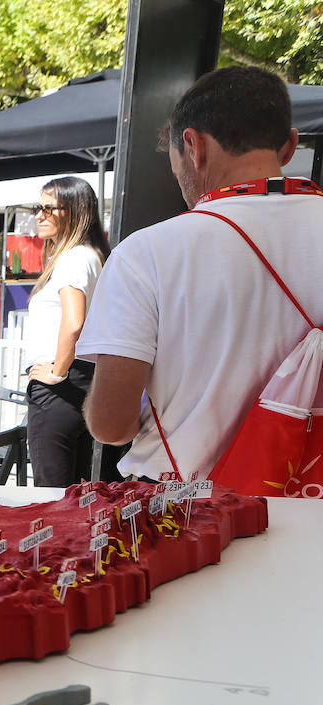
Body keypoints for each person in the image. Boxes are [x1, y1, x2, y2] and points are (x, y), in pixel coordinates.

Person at [81, 66, 322, 483]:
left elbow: (110, 424)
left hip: (185, 517)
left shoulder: (147, 253)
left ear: (193, 146)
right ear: (288, 147)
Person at [19, 175, 116, 487]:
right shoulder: (91, 255)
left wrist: (57, 372)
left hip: (61, 388)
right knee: (75, 498)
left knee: (50, 500)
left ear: (74, 211)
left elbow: (75, 323)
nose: (39, 215)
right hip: (85, 384)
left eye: (49, 208)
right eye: (39, 207)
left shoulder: (74, 257)